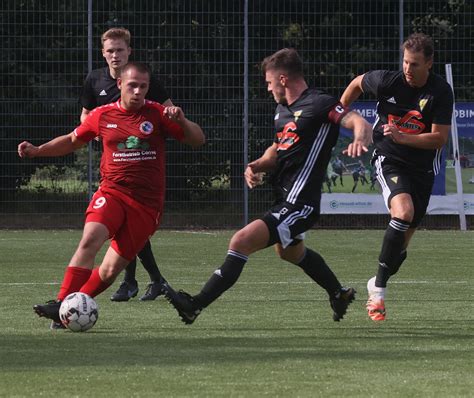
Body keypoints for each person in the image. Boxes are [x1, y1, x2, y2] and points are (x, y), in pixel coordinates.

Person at [162, 48, 371, 325]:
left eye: (269, 82)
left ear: (283, 79)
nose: (268, 87)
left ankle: (195, 305)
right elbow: (278, 148)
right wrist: (257, 166)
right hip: (283, 197)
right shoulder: (282, 112)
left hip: (301, 202)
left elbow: (359, 121)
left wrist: (359, 138)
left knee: (241, 241)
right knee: (290, 252)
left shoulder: (319, 103)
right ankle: (339, 293)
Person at [18, 62, 205, 329]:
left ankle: (71, 306)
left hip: (147, 205)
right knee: (90, 240)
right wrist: (38, 150)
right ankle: (61, 305)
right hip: (112, 192)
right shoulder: (102, 115)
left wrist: (183, 121)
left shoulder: (159, 114)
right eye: (132, 85)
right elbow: (72, 140)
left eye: (143, 86)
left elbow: (198, 140)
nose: (138, 91)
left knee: (108, 271)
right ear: (120, 85)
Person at [340, 33, 453, 321]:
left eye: (414, 64)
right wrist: (338, 115)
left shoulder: (440, 92)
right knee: (403, 213)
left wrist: (403, 137)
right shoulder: (387, 81)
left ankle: (377, 280)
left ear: (429, 63)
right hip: (389, 159)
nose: (407, 69)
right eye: (405, 62)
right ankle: (377, 292)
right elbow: (356, 84)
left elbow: (439, 139)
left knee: (400, 250)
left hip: (423, 169)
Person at [80, 27, 174, 302]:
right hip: (112, 162)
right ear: (103, 53)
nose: (115, 55)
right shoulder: (95, 79)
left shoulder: (142, 78)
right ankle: (147, 281)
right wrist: (93, 133)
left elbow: (169, 110)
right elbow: (86, 115)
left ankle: (134, 282)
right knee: (123, 225)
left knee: (126, 224)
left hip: (141, 161)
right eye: (110, 51)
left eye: (120, 50)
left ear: (129, 51)